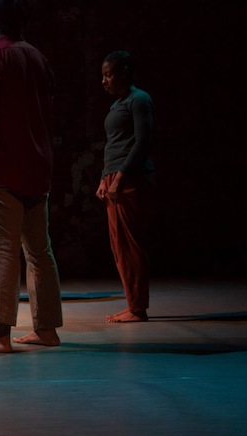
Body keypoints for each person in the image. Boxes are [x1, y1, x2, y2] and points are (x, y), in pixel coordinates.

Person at [0, 0, 63, 353]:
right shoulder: (38, 57)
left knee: (3, 250)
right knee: (40, 252)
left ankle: (1, 335)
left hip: (4, 168)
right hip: (38, 166)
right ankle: (46, 330)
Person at [96, 50, 155, 323]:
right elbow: (113, 145)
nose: (104, 81)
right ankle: (133, 303)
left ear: (124, 72)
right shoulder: (116, 106)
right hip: (114, 178)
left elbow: (142, 142)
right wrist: (104, 178)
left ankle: (138, 308)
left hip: (130, 179)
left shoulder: (139, 99)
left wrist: (119, 177)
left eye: (109, 75)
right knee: (119, 245)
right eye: (103, 75)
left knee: (131, 244)